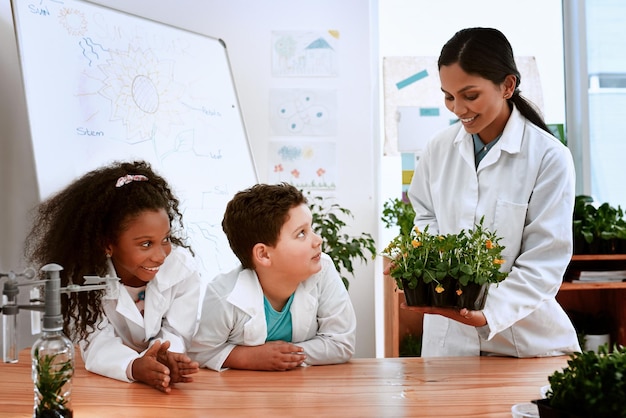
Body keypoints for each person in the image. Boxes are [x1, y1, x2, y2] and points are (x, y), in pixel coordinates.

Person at [400, 27, 581, 357]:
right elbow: (426, 216)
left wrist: (489, 310)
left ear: (507, 85)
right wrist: (422, 259)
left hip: (521, 343)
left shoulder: (548, 157)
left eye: (470, 96)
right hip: (447, 344)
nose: (457, 109)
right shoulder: (438, 149)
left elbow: (545, 259)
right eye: (448, 96)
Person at [24, 160, 202, 392]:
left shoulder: (182, 268)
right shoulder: (83, 281)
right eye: (146, 244)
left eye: (166, 239)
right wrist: (134, 366)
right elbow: (97, 343)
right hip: (108, 390)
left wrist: (167, 356)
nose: (160, 256)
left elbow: (178, 331)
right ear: (108, 244)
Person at [189, 183, 356, 371]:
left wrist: (283, 356)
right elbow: (200, 353)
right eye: (301, 233)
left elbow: (341, 344)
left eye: (311, 229)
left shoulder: (322, 269)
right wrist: (248, 358)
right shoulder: (224, 295)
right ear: (264, 254)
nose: (318, 240)